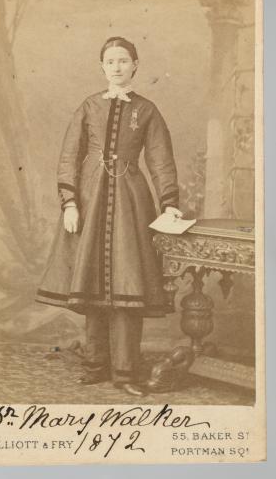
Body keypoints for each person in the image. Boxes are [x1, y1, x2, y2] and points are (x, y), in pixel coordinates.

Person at [35, 36, 182, 396]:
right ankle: (96, 364)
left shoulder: (147, 110)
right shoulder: (88, 106)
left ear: (135, 65)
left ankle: (126, 372)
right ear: (102, 66)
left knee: (128, 283)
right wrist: (69, 202)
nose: (117, 67)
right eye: (110, 61)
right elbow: (70, 155)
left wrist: (170, 203)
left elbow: (160, 159)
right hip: (90, 199)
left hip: (132, 202)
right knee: (93, 281)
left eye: (123, 60)